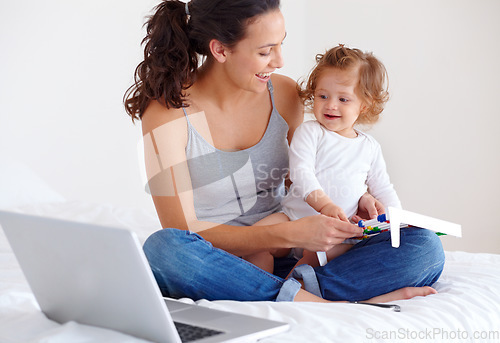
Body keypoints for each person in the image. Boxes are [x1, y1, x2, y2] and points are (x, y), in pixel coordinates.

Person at [124, 0, 444, 303]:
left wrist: (354, 199)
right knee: (164, 249)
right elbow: (182, 228)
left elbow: (300, 181)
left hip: (292, 253)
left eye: (281, 44)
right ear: (220, 49)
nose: (279, 61)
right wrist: (287, 232)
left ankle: (295, 292)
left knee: (424, 247)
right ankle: (315, 299)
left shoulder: (284, 93)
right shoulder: (165, 111)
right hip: (221, 260)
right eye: (266, 51)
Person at [243, 45, 403, 273]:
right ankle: (261, 287)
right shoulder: (310, 132)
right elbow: (301, 173)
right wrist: (324, 205)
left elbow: (383, 188)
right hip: (292, 220)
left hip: (335, 232)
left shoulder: (369, 147)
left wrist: (398, 220)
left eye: (344, 99)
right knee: (255, 241)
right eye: (323, 96)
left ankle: (291, 286)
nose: (331, 105)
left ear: (364, 105)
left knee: (333, 253)